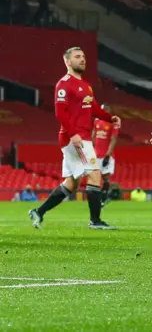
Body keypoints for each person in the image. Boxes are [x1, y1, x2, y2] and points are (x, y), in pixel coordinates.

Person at [29, 47, 121, 230]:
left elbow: (94, 109)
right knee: (95, 174)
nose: (82, 59)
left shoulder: (86, 85)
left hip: (79, 137)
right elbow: (59, 112)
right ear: (67, 62)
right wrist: (73, 134)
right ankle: (95, 221)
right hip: (76, 138)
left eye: (83, 57)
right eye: (77, 57)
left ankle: (38, 212)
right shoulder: (64, 84)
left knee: (72, 183)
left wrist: (109, 118)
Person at [92, 103, 120, 207]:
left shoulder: (113, 123)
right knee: (95, 177)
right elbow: (93, 135)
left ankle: (103, 199)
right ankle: (99, 199)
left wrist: (108, 155)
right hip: (96, 154)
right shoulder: (96, 121)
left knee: (105, 177)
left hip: (106, 155)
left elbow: (114, 139)